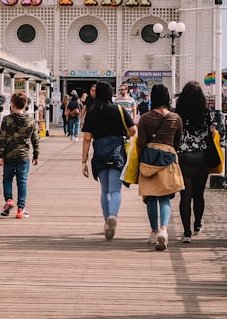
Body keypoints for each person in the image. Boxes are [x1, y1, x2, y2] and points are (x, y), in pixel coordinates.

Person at [81, 82, 136, 240]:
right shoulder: (118, 109)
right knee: (115, 190)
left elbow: (86, 138)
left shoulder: (92, 112)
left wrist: (83, 161)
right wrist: (123, 135)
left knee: (104, 190)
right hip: (117, 152)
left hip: (100, 152)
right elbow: (133, 130)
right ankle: (113, 215)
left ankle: (106, 221)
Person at [135, 84, 184, 251]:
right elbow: (178, 142)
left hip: (149, 158)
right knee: (165, 197)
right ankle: (164, 229)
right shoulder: (175, 118)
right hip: (168, 158)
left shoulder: (145, 118)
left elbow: (140, 142)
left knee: (151, 197)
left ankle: (154, 231)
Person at [175, 81, 214, 242]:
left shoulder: (179, 113)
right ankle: (197, 223)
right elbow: (212, 134)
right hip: (201, 157)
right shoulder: (206, 113)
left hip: (183, 157)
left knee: (185, 196)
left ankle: (186, 233)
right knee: (199, 194)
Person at [0, 91, 39, 219]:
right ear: (25, 105)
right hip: (23, 156)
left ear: (12, 105)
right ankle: (21, 209)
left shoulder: (7, 119)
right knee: (22, 181)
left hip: (9, 156)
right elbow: (35, 139)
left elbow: (2, 137)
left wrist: (0, 155)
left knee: (7, 179)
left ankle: (9, 200)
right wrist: (36, 154)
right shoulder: (30, 120)